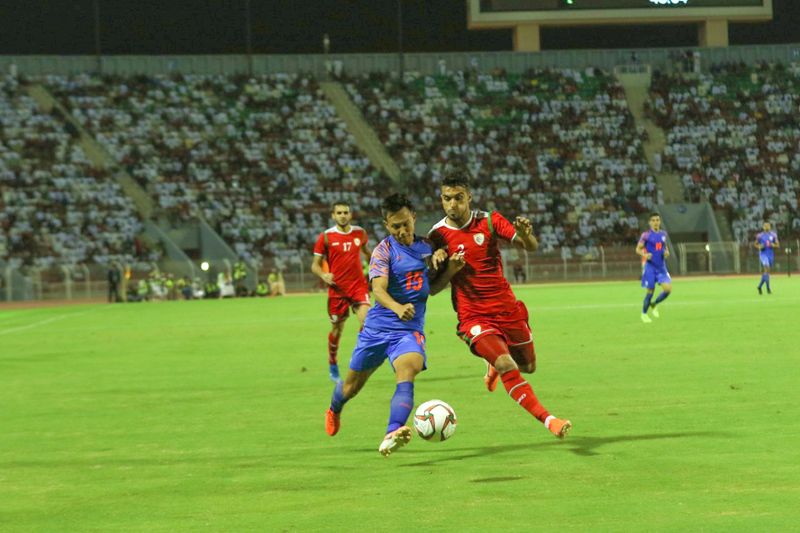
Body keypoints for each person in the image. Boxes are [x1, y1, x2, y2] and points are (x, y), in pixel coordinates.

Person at [427, 173, 572, 439]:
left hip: (506, 309)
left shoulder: (490, 221)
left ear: (469, 197)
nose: (453, 205)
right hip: (473, 316)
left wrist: (526, 235)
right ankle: (549, 420)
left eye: (459, 198)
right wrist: (449, 269)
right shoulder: (437, 236)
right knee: (508, 365)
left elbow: (530, 246)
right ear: (441, 199)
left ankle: (492, 363)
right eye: (447, 199)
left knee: (528, 367)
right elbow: (433, 289)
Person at [324, 193, 464, 456]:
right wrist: (398, 307)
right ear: (387, 226)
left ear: (413, 218)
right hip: (377, 329)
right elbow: (378, 289)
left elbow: (432, 289)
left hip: (409, 331)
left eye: (405, 224)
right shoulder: (383, 251)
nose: (401, 231)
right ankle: (334, 408)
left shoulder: (427, 247)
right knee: (351, 387)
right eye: (395, 226)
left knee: (407, 371)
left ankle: (393, 431)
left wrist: (450, 269)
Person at [311, 201, 373, 382]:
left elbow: (367, 253)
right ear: (333, 215)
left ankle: (358, 361)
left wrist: (374, 267)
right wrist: (323, 275)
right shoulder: (326, 237)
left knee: (367, 323)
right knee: (337, 328)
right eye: (339, 213)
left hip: (358, 286)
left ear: (350, 214)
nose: (343, 215)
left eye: (346, 212)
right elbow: (314, 265)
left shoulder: (360, 233)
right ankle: (332, 362)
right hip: (337, 290)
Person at [636, 212, 672, 323]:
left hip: (661, 267)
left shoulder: (663, 234)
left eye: (657, 220)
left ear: (660, 221)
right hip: (650, 268)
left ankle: (654, 304)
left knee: (667, 290)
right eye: (653, 220)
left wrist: (666, 253)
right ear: (649, 222)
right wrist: (645, 255)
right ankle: (644, 314)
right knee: (650, 291)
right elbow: (637, 249)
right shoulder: (646, 235)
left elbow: (664, 248)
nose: (656, 222)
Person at [754, 222, 780, 295]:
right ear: (763, 227)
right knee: (767, 268)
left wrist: (773, 245)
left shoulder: (773, 235)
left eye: (768, 226)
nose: (766, 227)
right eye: (765, 226)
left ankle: (760, 286)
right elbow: (755, 244)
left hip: (770, 255)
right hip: (763, 254)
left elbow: (778, 245)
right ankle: (768, 288)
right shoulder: (760, 236)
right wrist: (759, 246)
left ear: (770, 227)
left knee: (767, 272)